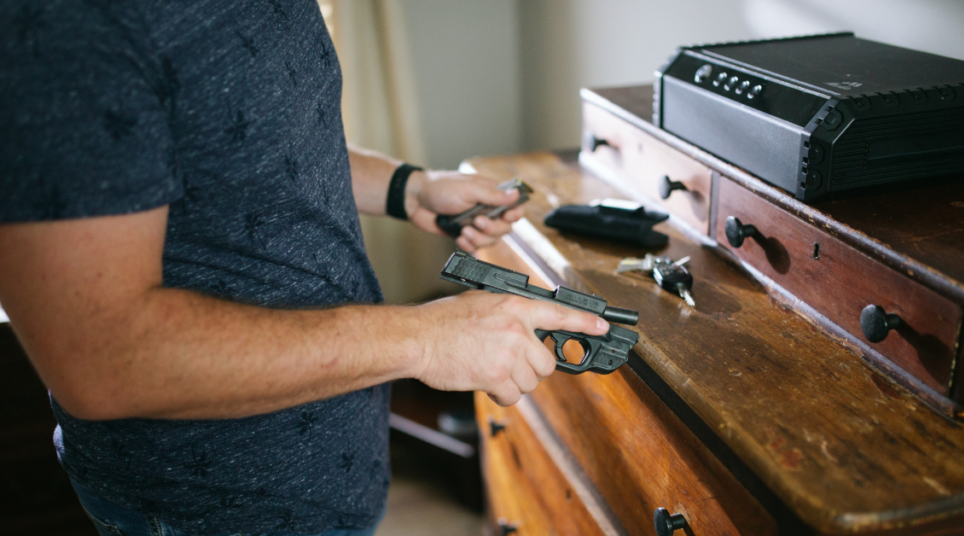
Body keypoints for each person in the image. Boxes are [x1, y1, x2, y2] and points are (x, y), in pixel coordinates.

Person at [0, 2, 608, 535]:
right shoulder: (62, 22)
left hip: (330, 471)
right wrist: (425, 339)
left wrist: (408, 188)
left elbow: (245, 136)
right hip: (213, 508)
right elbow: (99, 357)